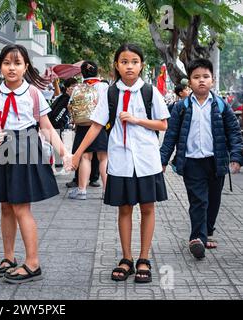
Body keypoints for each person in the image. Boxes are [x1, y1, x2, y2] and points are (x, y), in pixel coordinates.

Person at [71, 43, 170, 283]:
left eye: (134, 62)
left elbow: (163, 124)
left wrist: (136, 120)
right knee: (124, 209)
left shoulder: (149, 92)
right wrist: (77, 154)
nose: (129, 66)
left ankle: (143, 258)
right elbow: (96, 125)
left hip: (146, 160)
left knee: (147, 208)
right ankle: (126, 258)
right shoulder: (110, 93)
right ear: (117, 64)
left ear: (141, 65)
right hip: (121, 159)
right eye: (124, 62)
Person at [0, 44, 70, 284]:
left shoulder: (33, 94)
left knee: (21, 207)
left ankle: (33, 263)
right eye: (7, 63)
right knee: (5, 206)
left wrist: (64, 153)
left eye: (17, 63)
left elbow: (46, 127)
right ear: (0, 67)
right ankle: (9, 258)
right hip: (0, 148)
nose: (12, 68)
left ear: (25, 67)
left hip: (26, 146)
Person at [160, 58, 242, 259]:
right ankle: (196, 238)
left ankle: (207, 231)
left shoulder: (221, 105)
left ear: (212, 80)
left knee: (213, 201)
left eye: (206, 77)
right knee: (199, 201)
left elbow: (233, 132)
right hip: (191, 162)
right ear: (190, 82)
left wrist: (237, 157)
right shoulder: (182, 107)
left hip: (216, 161)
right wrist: (162, 159)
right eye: (196, 77)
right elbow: (171, 134)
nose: (201, 81)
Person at [68, 61, 109, 200]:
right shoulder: (104, 86)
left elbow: (70, 106)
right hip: (100, 125)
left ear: (82, 73)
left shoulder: (77, 87)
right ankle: (106, 191)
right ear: (97, 72)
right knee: (103, 158)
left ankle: (82, 190)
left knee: (85, 157)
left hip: (83, 126)